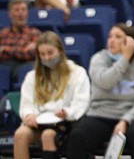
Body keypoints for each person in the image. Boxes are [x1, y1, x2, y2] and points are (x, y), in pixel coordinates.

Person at [66, 23, 134, 159]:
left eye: (118, 37)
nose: (111, 40)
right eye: (110, 36)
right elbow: (106, 82)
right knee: (78, 136)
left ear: (130, 42)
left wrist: (126, 120)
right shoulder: (98, 59)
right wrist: (125, 59)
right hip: (101, 114)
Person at [14, 31, 91, 159]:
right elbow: (26, 105)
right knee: (20, 135)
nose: (47, 58)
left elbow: (81, 104)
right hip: (39, 121)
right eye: (42, 54)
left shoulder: (77, 73)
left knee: (48, 135)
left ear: (60, 51)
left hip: (65, 122)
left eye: (50, 53)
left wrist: (66, 112)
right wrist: (28, 115)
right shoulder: (32, 77)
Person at [0, 0, 41, 83]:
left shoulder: (35, 33)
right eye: (17, 10)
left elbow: (32, 53)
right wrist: (22, 50)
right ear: (10, 14)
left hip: (24, 70)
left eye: (23, 10)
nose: (20, 13)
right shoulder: (2, 34)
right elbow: (25, 52)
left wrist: (6, 49)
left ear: (27, 13)